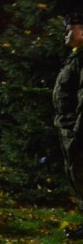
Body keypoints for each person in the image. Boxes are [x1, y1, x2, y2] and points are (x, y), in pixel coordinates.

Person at [53, 12, 83, 240]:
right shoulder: (75, 57)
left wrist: (77, 128)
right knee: (75, 174)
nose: (65, 33)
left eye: (69, 29)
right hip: (68, 125)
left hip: (76, 128)